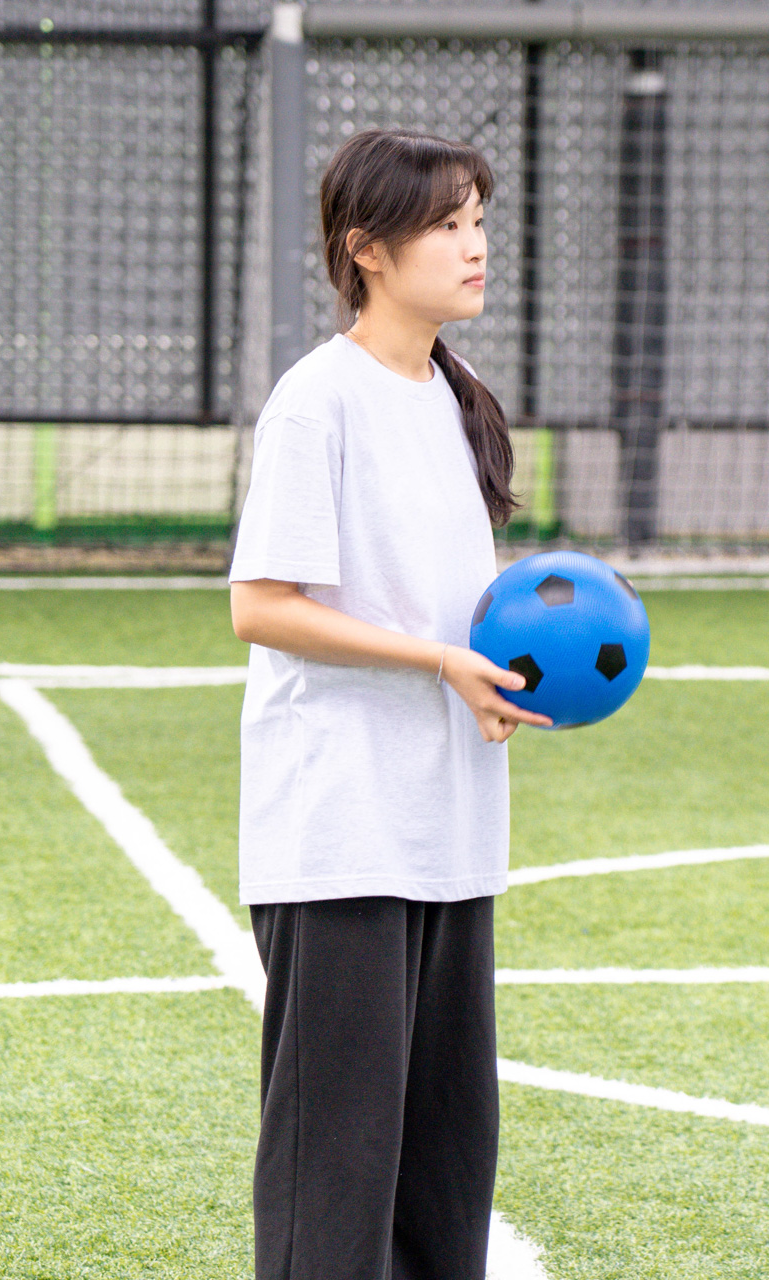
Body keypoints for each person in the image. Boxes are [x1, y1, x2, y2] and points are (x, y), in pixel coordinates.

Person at [227, 127, 551, 1280]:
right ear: (367, 249)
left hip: (451, 832)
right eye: (447, 225)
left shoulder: (456, 396)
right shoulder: (319, 401)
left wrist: (494, 674)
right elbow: (261, 606)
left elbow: (443, 607)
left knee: (443, 1173)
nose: (475, 246)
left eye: (479, 221)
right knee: (337, 1169)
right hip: (342, 836)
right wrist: (436, 661)